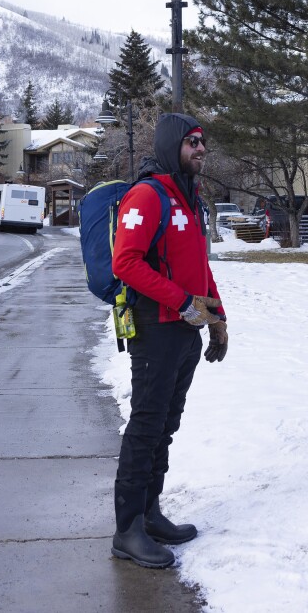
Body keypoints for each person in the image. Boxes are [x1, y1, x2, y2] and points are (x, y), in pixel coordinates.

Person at [108, 113, 228, 569]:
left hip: (186, 329)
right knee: (145, 426)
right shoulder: (148, 195)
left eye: (202, 141)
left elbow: (201, 266)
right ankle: (127, 530)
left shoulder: (189, 199)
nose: (200, 148)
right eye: (191, 142)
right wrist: (182, 303)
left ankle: (150, 513)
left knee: (166, 427)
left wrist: (218, 318)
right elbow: (126, 263)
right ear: (170, 145)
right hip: (155, 328)